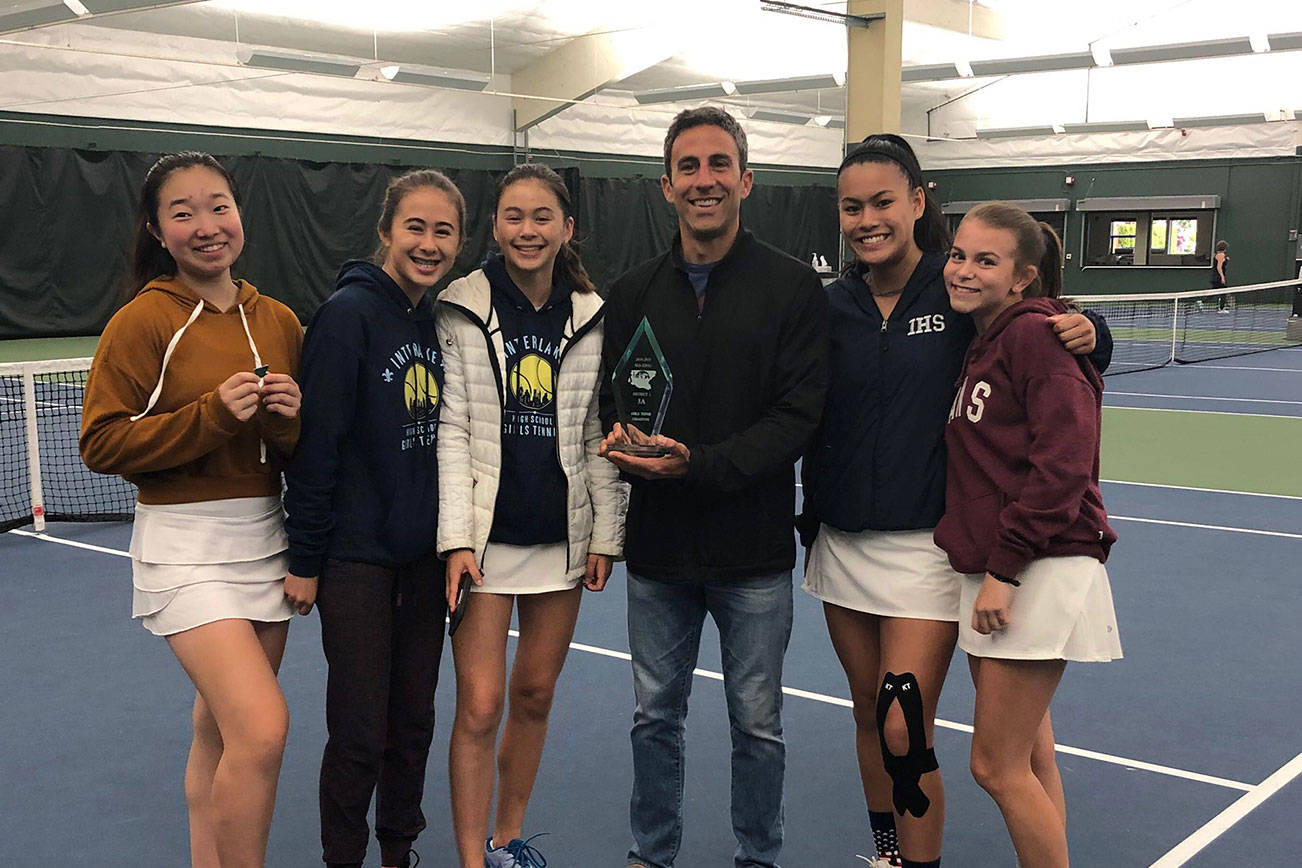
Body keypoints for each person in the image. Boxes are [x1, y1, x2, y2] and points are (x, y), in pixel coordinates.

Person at [798, 134, 1111, 868]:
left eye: (883, 202)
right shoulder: (831, 304)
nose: (867, 219)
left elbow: (1042, 325)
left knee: (903, 724)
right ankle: (889, 854)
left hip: (929, 551)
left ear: (916, 202)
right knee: (871, 719)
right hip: (839, 543)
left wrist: (1097, 335)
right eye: (852, 206)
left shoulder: (957, 280)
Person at [599, 107, 830, 868]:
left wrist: (696, 464)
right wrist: (622, 443)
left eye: (719, 164)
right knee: (653, 719)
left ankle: (757, 856)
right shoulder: (631, 292)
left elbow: (796, 418)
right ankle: (650, 853)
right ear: (667, 186)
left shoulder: (794, 288)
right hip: (659, 557)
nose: (705, 179)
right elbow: (616, 401)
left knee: (757, 724)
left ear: (746, 180)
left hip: (753, 557)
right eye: (689, 167)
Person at [80, 151, 303, 867]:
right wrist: (211, 416)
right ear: (157, 228)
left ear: (240, 213)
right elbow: (102, 442)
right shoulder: (141, 322)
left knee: (220, 730)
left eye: (219, 206)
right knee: (263, 730)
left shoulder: (281, 321)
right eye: (184, 212)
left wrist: (288, 420)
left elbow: (296, 450)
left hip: (264, 542)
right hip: (184, 549)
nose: (207, 226)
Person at [437, 162, 625, 868]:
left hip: (561, 539)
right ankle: (469, 859)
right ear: (495, 226)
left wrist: (606, 530)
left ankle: (508, 840)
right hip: (483, 541)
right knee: (481, 705)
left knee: (535, 695)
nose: (528, 230)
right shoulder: (459, 305)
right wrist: (455, 539)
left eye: (542, 217)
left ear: (566, 228)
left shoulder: (590, 315)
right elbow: (452, 430)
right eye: (514, 216)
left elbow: (593, 432)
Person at [283, 169, 466, 868]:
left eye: (443, 231)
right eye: (414, 227)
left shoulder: (436, 320)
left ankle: (398, 852)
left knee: (412, 721)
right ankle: (344, 858)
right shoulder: (346, 316)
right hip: (354, 563)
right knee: (360, 729)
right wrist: (306, 560)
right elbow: (316, 444)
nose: (427, 243)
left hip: (423, 562)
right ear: (387, 231)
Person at [936, 201, 1121, 868]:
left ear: (1022, 277)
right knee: (1031, 755)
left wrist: (1004, 571)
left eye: (986, 260)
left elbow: (1064, 464)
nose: (963, 269)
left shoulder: (1034, 336)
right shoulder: (984, 338)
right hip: (1004, 566)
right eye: (959, 254)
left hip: (1035, 568)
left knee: (995, 764)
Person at [1211, 240, 1229, 312]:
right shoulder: (1221, 255)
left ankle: (1201, 302)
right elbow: (1219, 267)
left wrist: (1226, 260)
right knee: (1223, 292)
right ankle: (1221, 308)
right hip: (1218, 277)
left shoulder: (1218, 255)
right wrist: (1222, 277)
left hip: (1215, 276)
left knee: (1213, 292)